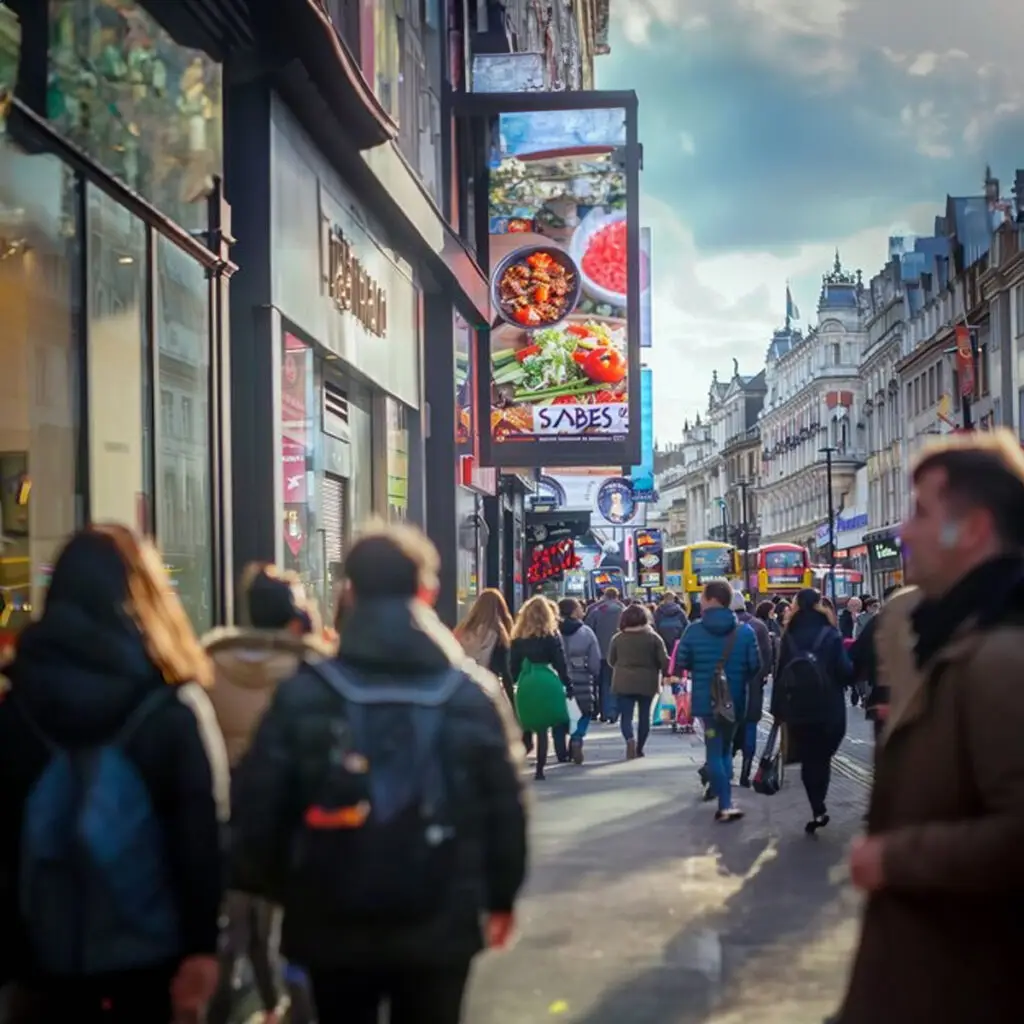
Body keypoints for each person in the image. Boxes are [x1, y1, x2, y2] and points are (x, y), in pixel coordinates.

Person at [230, 524, 527, 1024]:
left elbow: (257, 807)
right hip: (442, 913)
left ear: (350, 591)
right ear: (427, 592)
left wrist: (290, 889)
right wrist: (500, 896)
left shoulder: (307, 692)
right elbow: (504, 803)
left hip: (331, 917)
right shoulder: (468, 695)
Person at [0, 524, 228, 1023]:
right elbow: (198, 837)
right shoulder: (170, 710)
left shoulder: (17, 707)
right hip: (149, 963)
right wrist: (202, 947)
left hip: (39, 965)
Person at [834, 431, 1024, 1024]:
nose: (903, 532)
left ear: (971, 529)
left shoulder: (1001, 660)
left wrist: (893, 858)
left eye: (921, 512)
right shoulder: (954, 639)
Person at [204, 564, 332, 1024]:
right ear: (294, 615)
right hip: (296, 824)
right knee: (295, 934)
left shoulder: (208, 663)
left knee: (231, 932)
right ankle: (294, 1009)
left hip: (225, 818)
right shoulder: (312, 672)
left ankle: (221, 1010)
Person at [675, 580, 760, 822]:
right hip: (734, 701)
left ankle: (725, 804)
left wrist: (703, 670)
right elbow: (755, 666)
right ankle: (726, 799)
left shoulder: (693, 630)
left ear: (711, 599)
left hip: (706, 701)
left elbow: (683, 660)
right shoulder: (745, 632)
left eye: (702, 596)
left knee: (714, 748)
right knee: (726, 747)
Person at [772, 588, 852, 834]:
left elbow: (780, 675)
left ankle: (817, 807)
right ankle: (820, 802)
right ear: (820, 606)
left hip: (799, 708)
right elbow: (844, 673)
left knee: (809, 759)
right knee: (822, 758)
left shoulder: (790, 636)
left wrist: (777, 710)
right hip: (830, 708)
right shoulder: (831, 634)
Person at [511, 595, 572, 780]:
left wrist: (513, 682)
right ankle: (539, 769)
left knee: (526, 723)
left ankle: (521, 759)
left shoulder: (518, 638)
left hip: (526, 681)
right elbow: (560, 662)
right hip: (547, 680)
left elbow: (512, 665)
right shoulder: (552, 636)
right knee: (543, 729)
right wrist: (568, 684)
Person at [608, 604, 669, 760]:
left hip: (623, 681)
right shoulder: (653, 637)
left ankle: (629, 739)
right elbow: (664, 661)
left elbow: (611, 660)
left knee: (626, 717)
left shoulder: (618, 638)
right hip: (647, 681)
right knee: (644, 716)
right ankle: (640, 748)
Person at [730, 593, 773, 787]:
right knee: (750, 725)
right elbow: (767, 656)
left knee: (727, 727)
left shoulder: (720, 626)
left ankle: (725, 767)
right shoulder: (759, 626)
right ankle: (746, 771)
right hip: (752, 685)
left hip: (727, 686)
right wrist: (760, 677)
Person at [557, 598, 601, 764]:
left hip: (559, 678)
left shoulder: (554, 631)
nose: (583, 611)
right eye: (580, 608)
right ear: (574, 611)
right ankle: (577, 738)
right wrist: (593, 673)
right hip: (582, 676)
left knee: (560, 715)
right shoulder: (586, 632)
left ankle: (561, 751)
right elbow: (595, 659)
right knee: (584, 711)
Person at [454, 588, 515, 704]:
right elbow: (505, 672)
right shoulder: (498, 634)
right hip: (487, 690)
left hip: (463, 688)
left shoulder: (463, 629)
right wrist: (512, 705)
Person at [584, 587, 626, 722]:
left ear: (604, 596)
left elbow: (588, 631)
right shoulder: (623, 610)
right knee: (617, 683)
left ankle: (602, 712)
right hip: (619, 654)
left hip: (600, 653)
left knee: (602, 684)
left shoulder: (595, 610)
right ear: (617, 596)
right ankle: (613, 712)